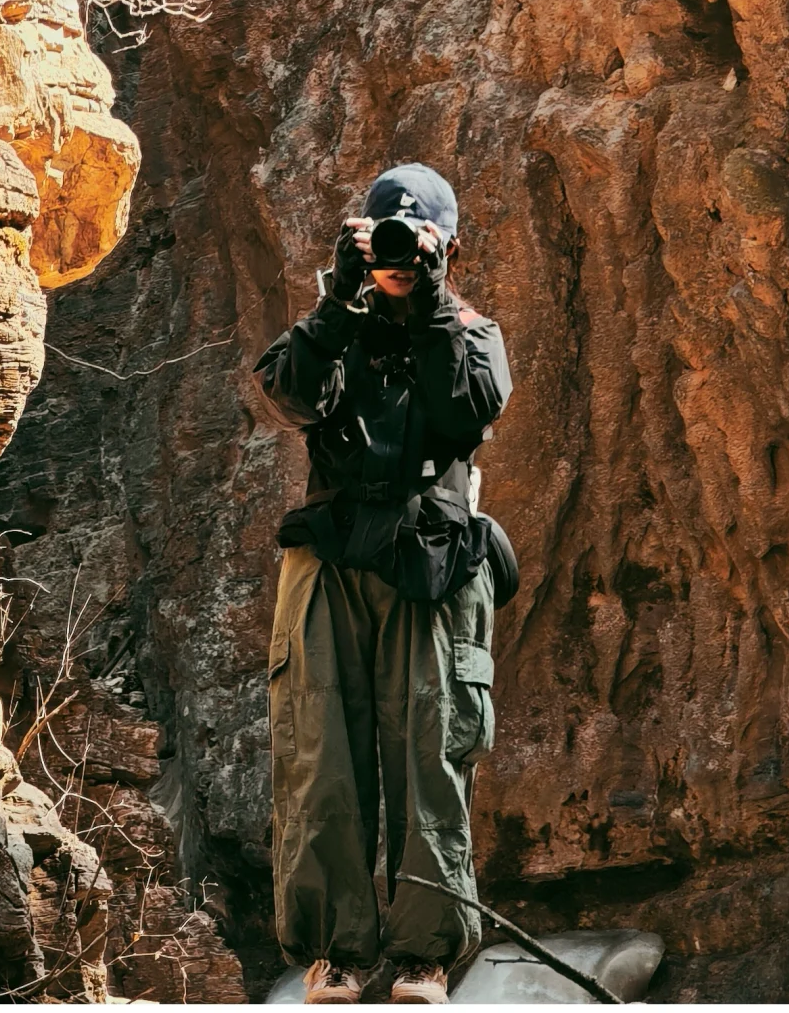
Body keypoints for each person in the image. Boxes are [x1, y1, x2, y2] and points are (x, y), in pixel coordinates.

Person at [253, 164, 514, 1006]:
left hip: (430, 566)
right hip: (331, 560)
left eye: (416, 243)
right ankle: (337, 955)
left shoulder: (468, 331)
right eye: (384, 241)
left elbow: (470, 408)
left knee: (430, 754)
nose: (398, 259)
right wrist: (337, 301)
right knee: (319, 753)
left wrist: (430, 303)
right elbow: (287, 397)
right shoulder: (335, 329)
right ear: (360, 244)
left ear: (448, 248)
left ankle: (423, 960)